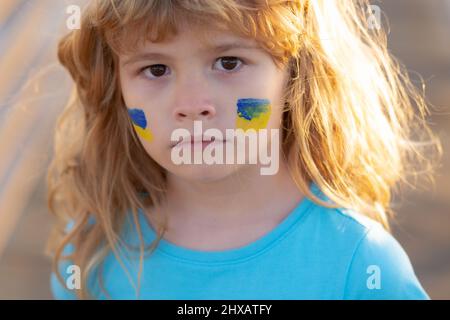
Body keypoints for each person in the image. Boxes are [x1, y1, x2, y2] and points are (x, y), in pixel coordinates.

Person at [47, 0, 441, 299]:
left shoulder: (360, 266)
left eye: (229, 62)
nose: (192, 102)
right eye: (155, 69)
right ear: (116, 88)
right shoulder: (91, 254)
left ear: (296, 74)